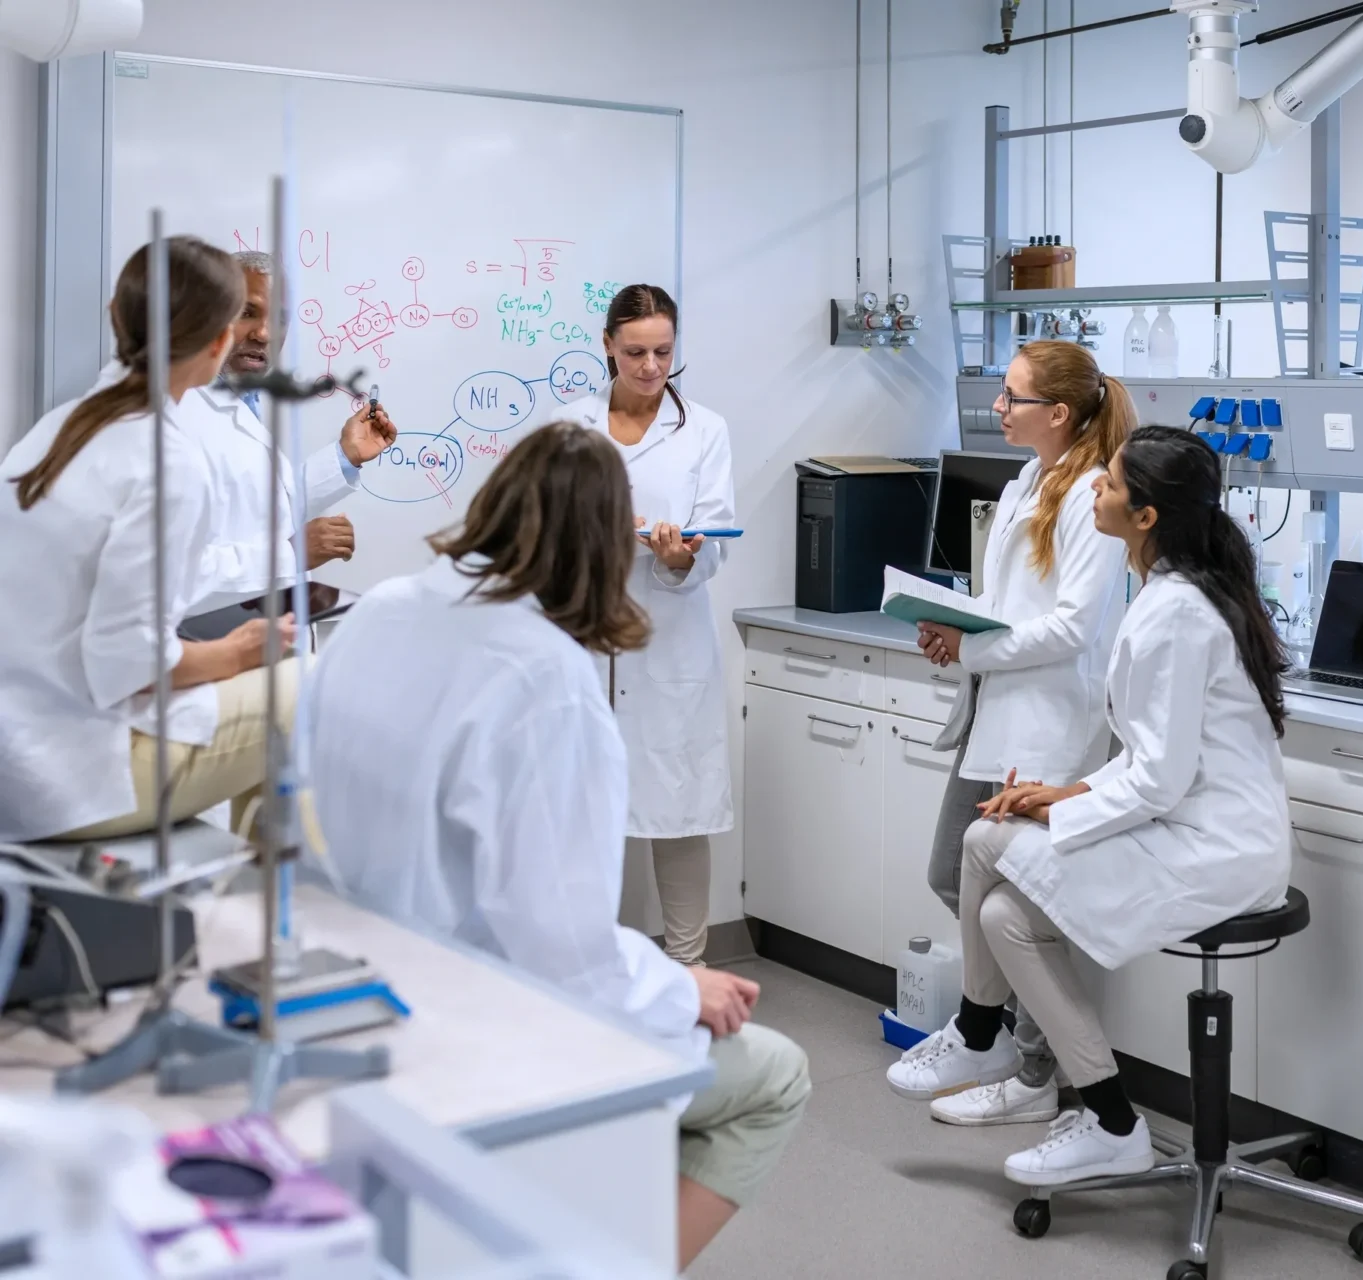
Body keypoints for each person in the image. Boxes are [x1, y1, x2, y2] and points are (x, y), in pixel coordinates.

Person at [306, 422, 808, 1269]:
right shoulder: (544, 679)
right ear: (604, 547)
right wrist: (684, 986)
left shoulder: (383, 610)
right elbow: (561, 951)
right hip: (475, 1015)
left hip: (359, 976)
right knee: (775, 1077)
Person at [886, 425, 1292, 1186]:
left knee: (983, 841)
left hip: (1219, 850)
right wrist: (1065, 791)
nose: (1094, 492)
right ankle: (1111, 1120)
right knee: (1006, 918)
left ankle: (981, 1033)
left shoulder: (1175, 611)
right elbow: (1150, 761)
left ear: (1145, 518)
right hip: (1182, 823)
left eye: (1108, 485)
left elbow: (1161, 782)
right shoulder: (1170, 592)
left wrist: (1054, 811)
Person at [900, 340, 1130, 1128]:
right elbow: (1012, 603)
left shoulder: (1093, 495)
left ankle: (1029, 1069)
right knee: (953, 875)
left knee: (1020, 905)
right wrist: (953, 632)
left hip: (1049, 727)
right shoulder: (1029, 479)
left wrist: (974, 646)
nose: (998, 408)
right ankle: (1005, 1044)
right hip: (996, 714)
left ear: (1058, 413)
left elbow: (1072, 626)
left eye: (1012, 398)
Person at [0, 237, 293, 843]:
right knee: (312, 684)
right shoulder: (168, 457)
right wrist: (238, 652)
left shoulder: (63, 428)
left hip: (17, 750)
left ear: (118, 315)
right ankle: (278, 915)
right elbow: (127, 666)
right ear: (219, 341)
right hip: (73, 781)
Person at [535, 284, 734, 965]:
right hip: (586, 636)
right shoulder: (569, 428)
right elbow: (542, 530)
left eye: (663, 352)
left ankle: (688, 969)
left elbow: (718, 536)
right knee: (583, 812)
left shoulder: (705, 429)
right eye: (635, 353)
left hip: (669, 638)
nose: (651, 368)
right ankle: (587, 963)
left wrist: (679, 559)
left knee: (678, 811)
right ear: (607, 345)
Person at [185, 250, 397, 615]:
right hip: (203, 642)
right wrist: (291, 554)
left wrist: (344, 457)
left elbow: (260, 510)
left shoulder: (242, 398)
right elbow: (172, 575)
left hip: (251, 631)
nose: (265, 334)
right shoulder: (179, 414)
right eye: (247, 313)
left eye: (279, 319)